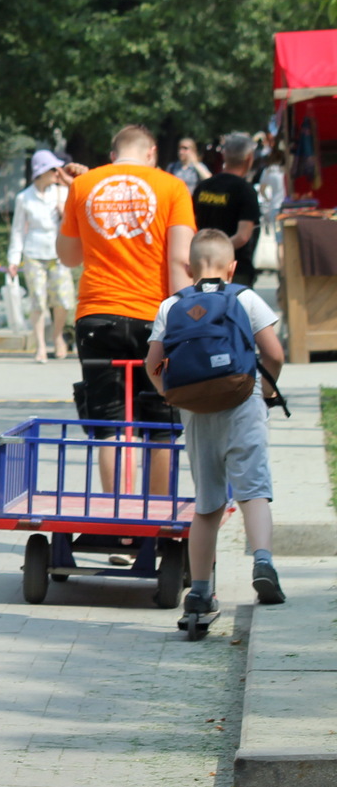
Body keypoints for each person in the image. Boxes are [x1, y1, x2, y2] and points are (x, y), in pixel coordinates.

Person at [144, 229, 286, 612]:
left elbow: (152, 364)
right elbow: (274, 353)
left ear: (188, 268)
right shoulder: (245, 297)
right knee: (253, 490)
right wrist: (267, 390)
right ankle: (263, 562)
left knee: (208, 504)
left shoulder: (171, 305)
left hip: (195, 409)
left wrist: (170, 393)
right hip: (243, 401)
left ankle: (201, 591)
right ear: (233, 266)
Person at [58, 124, 195, 494]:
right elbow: (181, 261)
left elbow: (68, 257)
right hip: (155, 316)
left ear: (113, 154)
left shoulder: (84, 187)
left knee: (110, 425)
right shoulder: (172, 187)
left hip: (97, 315)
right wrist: (183, 322)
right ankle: (154, 525)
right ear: (151, 152)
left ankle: (119, 525)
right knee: (162, 423)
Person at [7, 150, 76, 362]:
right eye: (53, 169)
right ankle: (40, 346)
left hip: (58, 252)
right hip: (34, 252)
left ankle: (57, 338)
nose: (57, 173)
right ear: (41, 171)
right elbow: (18, 230)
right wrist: (13, 258)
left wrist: (64, 212)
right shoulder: (24, 198)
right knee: (37, 300)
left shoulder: (63, 193)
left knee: (63, 300)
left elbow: (76, 220)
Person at [193, 132, 262, 290]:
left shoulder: (204, 187)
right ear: (249, 158)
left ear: (224, 155)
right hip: (235, 270)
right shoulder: (245, 191)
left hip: (201, 267)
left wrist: (204, 253)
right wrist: (217, 253)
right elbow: (243, 236)